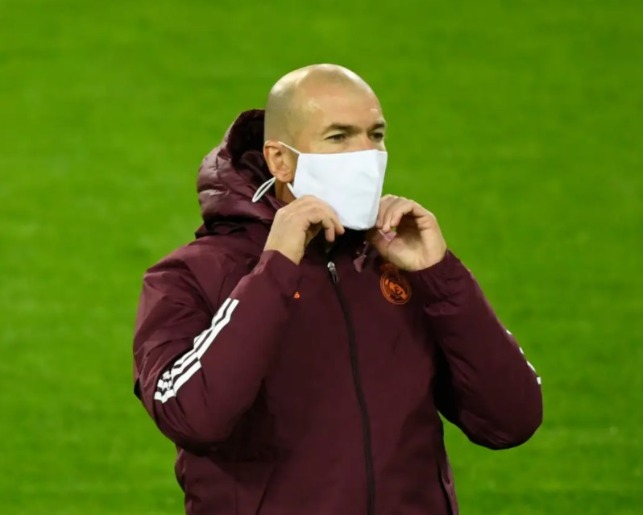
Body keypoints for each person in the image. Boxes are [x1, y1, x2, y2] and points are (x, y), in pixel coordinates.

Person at [132, 64, 542, 515]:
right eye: (339, 137)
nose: (366, 154)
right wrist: (275, 269)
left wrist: (440, 275)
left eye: (376, 135)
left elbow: (512, 419)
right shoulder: (190, 276)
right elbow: (192, 416)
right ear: (280, 160)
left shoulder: (401, 265)